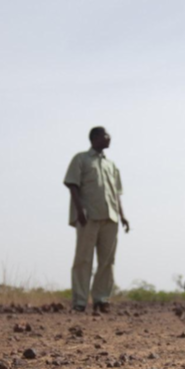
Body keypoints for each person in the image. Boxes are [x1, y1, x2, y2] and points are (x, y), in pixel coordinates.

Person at [64, 126, 129, 313]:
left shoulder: (112, 165)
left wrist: (122, 216)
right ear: (94, 138)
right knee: (83, 260)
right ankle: (80, 301)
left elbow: (117, 193)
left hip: (111, 218)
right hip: (88, 217)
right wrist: (79, 210)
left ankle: (101, 300)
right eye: (105, 135)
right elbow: (72, 185)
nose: (109, 138)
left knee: (107, 261)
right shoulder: (81, 159)